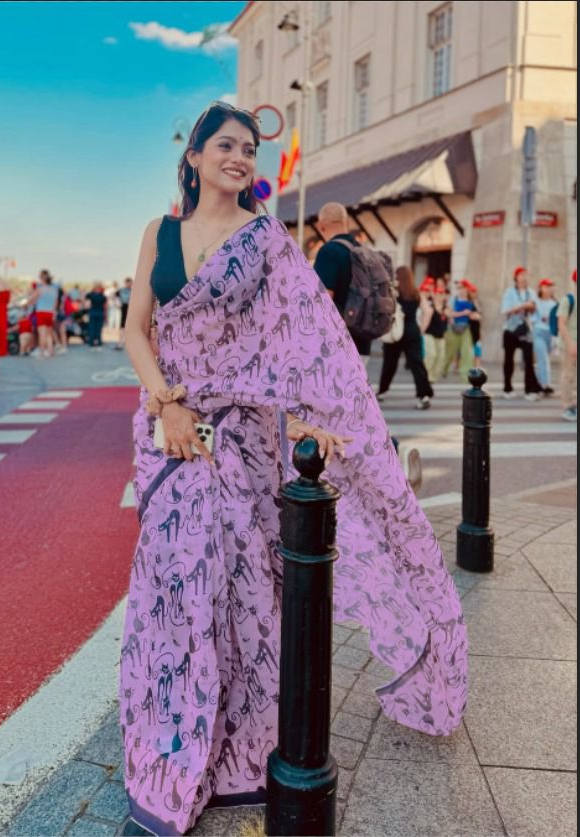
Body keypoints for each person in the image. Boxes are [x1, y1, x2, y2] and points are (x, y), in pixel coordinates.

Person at [118, 101, 466, 836]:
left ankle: (241, 751)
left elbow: (304, 341)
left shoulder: (266, 239)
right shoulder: (159, 233)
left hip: (243, 438)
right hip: (171, 434)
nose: (239, 157)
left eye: (248, 148)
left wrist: (314, 417)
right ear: (193, 157)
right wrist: (166, 404)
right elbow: (135, 329)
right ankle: (172, 745)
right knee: (174, 588)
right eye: (225, 145)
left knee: (243, 591)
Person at [313, 202, 372, 366]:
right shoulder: (363, 251)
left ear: (321, 225)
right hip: (363, 342)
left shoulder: (329, 251)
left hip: (337, 343)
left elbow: (324, 298)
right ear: (346, 222)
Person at [377, 266, 434, 409]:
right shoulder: (416, 293)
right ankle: (424, 395)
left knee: (389, 364)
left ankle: (382, 392)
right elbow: (428, 311)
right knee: (417, 364)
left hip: (395, 332)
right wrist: (421, 330)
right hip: (412, 331)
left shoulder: (393, 293)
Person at [501, 266, 543, 400]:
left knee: (529, 360)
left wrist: (532, 307)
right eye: (522, 275)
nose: (524, 277)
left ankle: (529, 390)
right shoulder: (509, 292)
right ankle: (507, 388)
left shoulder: (531, 292)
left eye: (526, 275)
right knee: (509, 359)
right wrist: (522, 306)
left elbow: (537, 311)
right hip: (511, 329)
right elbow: (505, 310)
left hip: (526, 329)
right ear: (516, 277)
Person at [442, 279, 480, 382]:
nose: (461, 290)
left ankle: (466, 376)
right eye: (459, 288)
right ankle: (444, 369)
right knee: (450, 352)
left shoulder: (471, 301)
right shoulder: (453, 299)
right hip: (453, 329)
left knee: (467, 353)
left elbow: (478, 316)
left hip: (466, 329)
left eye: (463, 288)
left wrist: (471, 315)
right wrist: (463, 313)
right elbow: (448, 313)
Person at [419, 276, 448, 383]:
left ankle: (432, 377)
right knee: (431, 354)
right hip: (429, 334)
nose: (440, 295)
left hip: (440, 336)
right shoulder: (429, 305)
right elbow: (422, 316)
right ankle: (425, 375)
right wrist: (421, 331)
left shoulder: (445, 308)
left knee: (441, 357)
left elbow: (452, 316)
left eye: (442, 293)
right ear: (434, 294)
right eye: (438, 293)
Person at [532, 278, 556, 396]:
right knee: (542, 358)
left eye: (550, 286)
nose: (548, 289)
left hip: (550, 334)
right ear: (541, 288)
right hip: (538, 331)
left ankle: (544, 383)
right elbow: (531, 317)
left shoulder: (554, 303)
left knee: (546, 359)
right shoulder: (535, 302)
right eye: (546, 286)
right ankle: (543, 384)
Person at [558, 269, 577, 421]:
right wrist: (570, 344)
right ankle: (567, 407)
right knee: (568, 375)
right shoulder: (568, 300)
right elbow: (562, 324)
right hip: (569, 344)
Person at [28, 270, 59, 358]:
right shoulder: (54, 289)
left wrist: (26, 304)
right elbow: (56, 303)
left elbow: (32, 300)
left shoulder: (40, 289)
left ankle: (42, 353)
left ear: (42, 278)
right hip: (50, 313)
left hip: (41, 312)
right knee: (49, 333)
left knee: (42, 334)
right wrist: (53, 312)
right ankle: (50, 352)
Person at [85, 283, 107, 350]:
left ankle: (91, 344)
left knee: (92, 328)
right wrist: (106, 315)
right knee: (98, 329)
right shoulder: (103, 296)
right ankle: (98, 343)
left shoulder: (89, 295)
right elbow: (105, 306)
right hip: (100, 313)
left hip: (92, 312)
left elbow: (87, 305)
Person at [116, 277, 133, 350]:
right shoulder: (121, 290)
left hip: (131, 308)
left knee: (130, 325)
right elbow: (115, 297)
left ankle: (128, 342)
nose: (129, 284)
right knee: (122, 326)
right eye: (128, 283)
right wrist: (117, 304)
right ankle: (120, 342)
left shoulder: (133, 290)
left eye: (130, 283)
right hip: (124, 308)